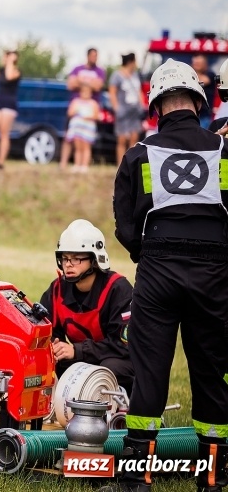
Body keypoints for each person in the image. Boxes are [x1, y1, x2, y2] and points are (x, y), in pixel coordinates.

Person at [110, 59, 228, 491]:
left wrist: (148, 254)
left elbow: (125, 224)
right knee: (212, 374)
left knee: (150, 373)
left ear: (156, 105)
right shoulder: (222, 152)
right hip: (214, 276)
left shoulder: (139, 155)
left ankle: (138, 477)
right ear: (200, 101)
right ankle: (213, 478)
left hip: (158, 272)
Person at [38, 219, 134, 395]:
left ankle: (118, 413)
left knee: (107, 368)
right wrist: (54, 346)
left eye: (76, 258)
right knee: (49, 360)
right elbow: (44, 329)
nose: (68, 264)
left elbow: (123, 345)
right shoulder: (57, 289)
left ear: (95, 260)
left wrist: (76, 350)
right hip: (83, 360)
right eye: (65, 258)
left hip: (121, 361)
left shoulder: (118, 289)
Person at [61, 48, 105, 170]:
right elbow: (70, 84)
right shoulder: (77, 69)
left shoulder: (100, 71)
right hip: (76, 109)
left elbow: (98, 86)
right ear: (87, 56)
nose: (94, 58)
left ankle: (83, 165)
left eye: (96, 56)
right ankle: (63, 164)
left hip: (90, 112)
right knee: (69, 138)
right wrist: (90, 82)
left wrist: (80, 81)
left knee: (85, 143)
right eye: (93, 55)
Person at [109, 53, 144, 165]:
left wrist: (142, 104)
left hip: (134, 110)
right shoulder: (117, 75)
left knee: (134, 138)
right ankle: (120, 164)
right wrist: (116, 108)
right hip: (123, 110)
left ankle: (131, 164)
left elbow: (139, 91)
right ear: (131, 62)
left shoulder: (135, 75)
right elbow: (112, 92)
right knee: (122, 139)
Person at [66, 83, 100, 173]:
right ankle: (77, 164)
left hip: (87, 128)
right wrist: (75, 111)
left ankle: (84, 165)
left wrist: (89, 117)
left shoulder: (93, 103)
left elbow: (97, 116)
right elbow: (69, 113)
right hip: (77, 127)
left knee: (86, 147)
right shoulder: (76, 102)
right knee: (78, 147)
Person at [192, 54, 217, 129]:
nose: (196, 65)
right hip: (192, 114)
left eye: (199, 63)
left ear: (205, 64)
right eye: (195, 63)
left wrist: (194, 70)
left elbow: (202, 81)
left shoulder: (210, 74)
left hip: (204, 114)